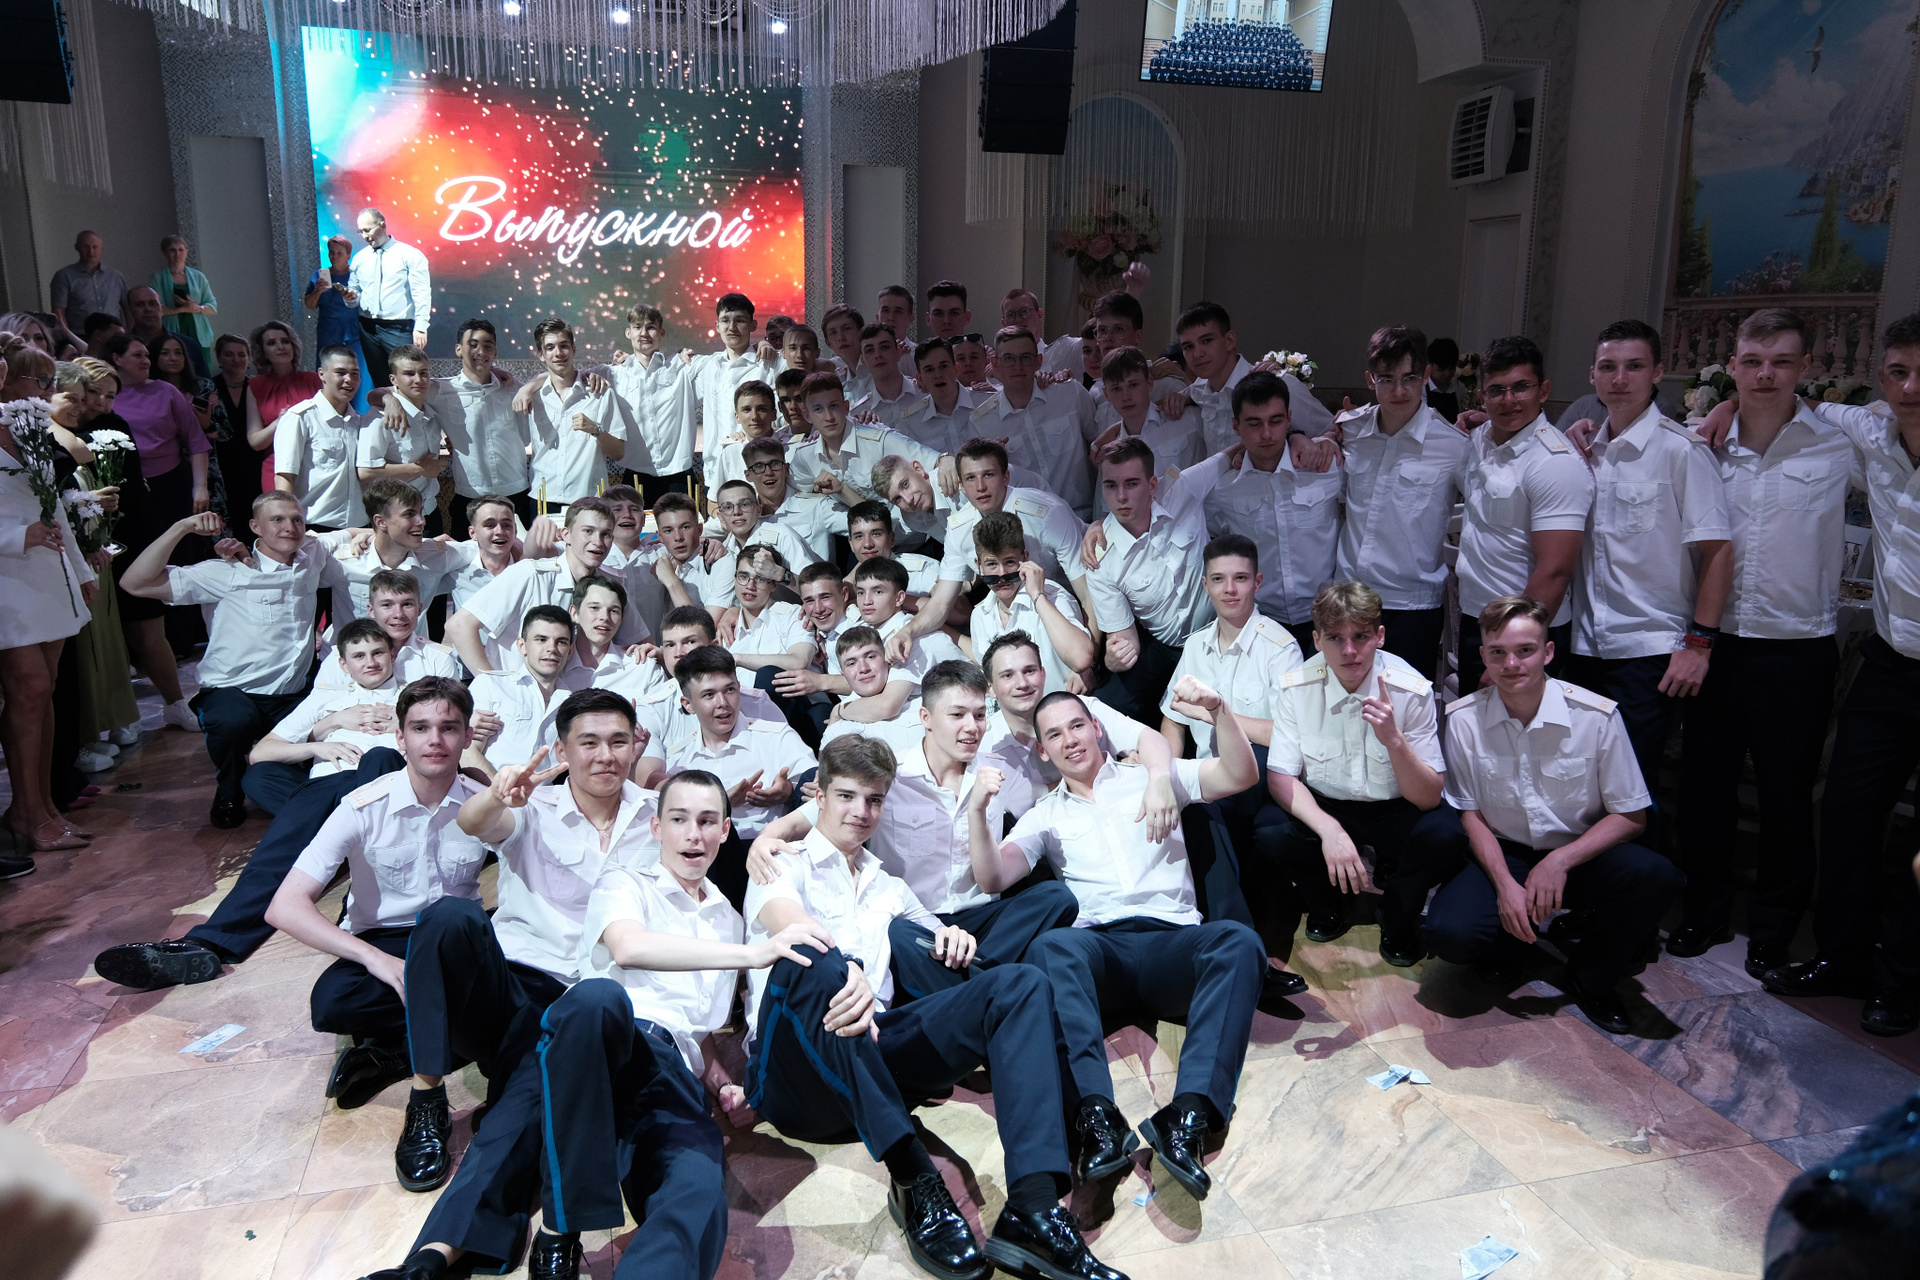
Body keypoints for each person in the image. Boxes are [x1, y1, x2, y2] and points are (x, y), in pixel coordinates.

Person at [743, 734, 1124, 1280]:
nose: (861, 811)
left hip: (875, 1058)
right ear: (819, 797)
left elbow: (931, 936)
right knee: (812, 960)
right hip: (794, 1079)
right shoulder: (783, 862)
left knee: (1017, 984)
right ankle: (913, 1176)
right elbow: (788, 922)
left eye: (874, 800)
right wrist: (846, 966)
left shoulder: (888, 886)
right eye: (847, 796)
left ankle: (1034, 1209)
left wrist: (954, 938)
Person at [358, 694, 665, 1278]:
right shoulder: (533, 803)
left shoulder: (658, 815)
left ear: (636, 744)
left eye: (618, 741)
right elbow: (474, 823)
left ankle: (432, 1259)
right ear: (563, 749)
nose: (605, 755)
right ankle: (426, 1095)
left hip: (590, 1003)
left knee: (525, 1103)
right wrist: (497, 794)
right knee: (448, 917)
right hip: (515, 989)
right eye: (589, 742)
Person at [971, 681, 1266, 1199]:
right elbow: (993, 876)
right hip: (1100, 954)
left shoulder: (1154, 778)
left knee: (1239, 942)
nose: (1070, 740)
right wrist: (977, 812)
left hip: (1172, 943)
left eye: (1077, 726)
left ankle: (1189, 1116)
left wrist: (1220, 711)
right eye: (1055, 735)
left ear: (1097, 728)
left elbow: (1240, 775)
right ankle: (1097, 1120)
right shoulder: (1045, 814)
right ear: (1043, 751)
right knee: (1051, 947)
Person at [516, 769, 789, 1280]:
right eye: (679, 819)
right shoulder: (625, 882)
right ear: (656, 827)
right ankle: (561, 1227)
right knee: (597, 1000)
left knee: (698, 1193)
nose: (694, 835)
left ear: (725, 830)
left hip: (669, 1074)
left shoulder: (728, 921)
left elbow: (697, 1028)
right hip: (605, 1049)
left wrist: (722, 1083)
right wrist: (753, 955)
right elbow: (628, 947)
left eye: (707, 821)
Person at [1669, 308, 1856, 980]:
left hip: (1797, 648)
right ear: (1733, 367)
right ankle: (1705, 911)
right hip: (1714, 643)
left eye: (1781, 362)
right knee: (1705, 790)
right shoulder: (1702, 444)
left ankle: (1774, 929)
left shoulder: (1840, 445)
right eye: (1753, 361)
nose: (1766, 374)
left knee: (1786, 797)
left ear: (1805, 367)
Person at [1754, 312, 1920, 1036]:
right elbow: (1800, 401)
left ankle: (1904, 980)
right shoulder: (1874, 434)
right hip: (1889, 661)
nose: (1911, 389)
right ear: (1881, 377)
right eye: (1898, 373)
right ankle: (1845, 955)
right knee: (1847, 809)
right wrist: (1722, 410)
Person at [749, 659, 1082, 1003]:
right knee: (899, 933)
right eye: (957, 715)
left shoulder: (998, 773)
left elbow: (1051, 798)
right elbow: (803, 821)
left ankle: (978, 991)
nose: (972, 727)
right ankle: (993, 992)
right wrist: (762, 843)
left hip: (981, 923)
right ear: (926, 718)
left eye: (980, 715)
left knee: (1055, 898)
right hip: (917, 924)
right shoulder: (889, 775)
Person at [1422, 596, 1678, 1035]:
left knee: (1656, 875)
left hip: (1580, 853)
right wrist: (1505, 885)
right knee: (1450, 932)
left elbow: (1632, 816)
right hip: (1507, 852)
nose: (1511, 664)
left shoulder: (1596, 717)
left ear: (1548, 651)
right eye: (1498, 652)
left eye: (1525, 650)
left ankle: (1591, 976)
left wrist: (1559, 861)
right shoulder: (1464, 720)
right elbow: (1470, 814)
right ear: (1483, 656)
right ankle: (1508, 943)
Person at [263, 677, 483, 1102]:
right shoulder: (362, 807)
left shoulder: (482, 803)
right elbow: (285, 906)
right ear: (400, 737)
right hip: (384, 937)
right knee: (333, 1003)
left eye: (449, 728)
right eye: (420, 728)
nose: (434, 740)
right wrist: (374, 959)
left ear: (467, 736)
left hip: (456, 936)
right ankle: (456, 1030)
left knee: (525, 979)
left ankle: (395, 1057)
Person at [1563, 319, 1732, 788]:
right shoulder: (1582, 451)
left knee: (1631, 788)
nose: (1620, 379)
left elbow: (1718, 550)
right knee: (1580, 785)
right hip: (1583, 644)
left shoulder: (1681, 451)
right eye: (1608, 367)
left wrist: (1699, 645)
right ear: (1592, 375)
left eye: (1634, 366)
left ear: (1657, 373)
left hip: (1649, 648)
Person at [119, 496, 359, 827]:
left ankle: (301, 794)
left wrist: (362, 538)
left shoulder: (311, 553)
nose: (289, 527)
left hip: (292, 693)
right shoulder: (225, 572)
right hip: (233, 692)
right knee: (232, 721)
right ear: (255, 527)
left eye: (297, 520)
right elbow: (135, 583)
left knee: (336, 723)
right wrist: (181, 528)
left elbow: (352, 532)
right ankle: (229, 789)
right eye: (277, 520)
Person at [1261, 582, 1458, 968]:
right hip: (1329, 804)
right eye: (1335, 638)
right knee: (1270, 829)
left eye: (1360, 637)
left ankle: (1397, 915)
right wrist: (1330, 831)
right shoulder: (1297, 687)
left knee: (1444, 833)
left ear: (1379, 636)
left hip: (1397, 805)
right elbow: (1281, 777)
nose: (1349, 650)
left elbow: (1429, 796)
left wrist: (1394, 741)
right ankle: (1328, 904)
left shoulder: (1410, 689)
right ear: (1317, 640)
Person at [1453, 336, 1593, 694]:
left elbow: (1555, 570)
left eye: (1521, 387)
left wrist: (1510, 651)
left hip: (1526, 629)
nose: (1508, 400)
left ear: (1543, 391)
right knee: (1476, 725)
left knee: (1522, 728)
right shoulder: (1480, 439)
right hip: (1476, 618)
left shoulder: (1554, 462)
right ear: (1482, 396)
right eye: (1496, 391)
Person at [1331, 326, 1471, 678]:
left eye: (1409, 378)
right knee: (1342, 702)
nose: (1399, 390)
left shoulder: (1453, 445)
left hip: (1412, 605)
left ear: (1425, 375)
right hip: (1349, 596)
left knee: (1405, 705)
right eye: (1387, 379)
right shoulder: (1351, 431)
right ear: (1370, 379)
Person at [0, 361, 97, 860]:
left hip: (48, 571)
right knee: (30, 688)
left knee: (45, 691)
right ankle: (26, 813)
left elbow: (53, 505)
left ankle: (42, 806)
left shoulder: (27, 425)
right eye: (36, 381)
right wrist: (19, 537)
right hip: (7, 578)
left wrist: (80, 570)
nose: (44, 390)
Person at [879, 439, 1093, 661]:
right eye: (971, 478)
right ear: (961, 485)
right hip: (1023, 619)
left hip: (1076, 610)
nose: (980, 487)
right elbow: (941, 604)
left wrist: (1092, 661)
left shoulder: (1046, 514)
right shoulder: (958, 529)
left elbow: (1088, 595)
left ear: (1005, 477)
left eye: (988, 475)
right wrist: (907, 632)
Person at [642, 644, 816, 907]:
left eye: (730, 690)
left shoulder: (775, 737)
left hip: (776, 854)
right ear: (688, 704)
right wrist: (722, 804)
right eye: (709, 695)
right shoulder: (680, 761)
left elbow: (816, 785)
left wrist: (789, 791)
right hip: (714, 865)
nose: (723, 703)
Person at [1083, 436, 1232, 718]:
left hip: (1220, 631)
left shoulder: (1183, 488)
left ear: (1152, 484)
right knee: (1104, 709)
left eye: (1131, 484)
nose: (1121, 496)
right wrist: (1113, 659)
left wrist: (1295, 439)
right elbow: (1124, 638)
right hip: (1166, 646)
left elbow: (1232, 453)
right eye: (1111, 485)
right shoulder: (1099, 558)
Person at [447, 496, 643, 674]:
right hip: (516, 691)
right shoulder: (529, 574)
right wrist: (491, 684)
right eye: (588, 531)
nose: (597, 542)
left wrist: (647, 651)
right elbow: (459, 625)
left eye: (606, 534)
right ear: (566, 534)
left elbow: (639, 639)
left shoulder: (610, 584)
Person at [242, 618, 402, 813]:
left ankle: (329, 821)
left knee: (380, 757)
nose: (370, 663)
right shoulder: (326, 698)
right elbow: (260, 753)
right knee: (258, 777)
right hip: (325, 788)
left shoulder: (412, 699)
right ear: (344, 665)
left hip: (380, 787)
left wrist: (406, 722)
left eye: (378, 653)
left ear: (392, 655)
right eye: (359, 656)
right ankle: (333, 820)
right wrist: (317, 747)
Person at [971, 326, 1100, 518]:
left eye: (1025, 357)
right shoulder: (981, 423)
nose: (1017, 366)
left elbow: (1100, 443)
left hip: (1084, 516)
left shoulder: (1069, 394)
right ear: (995, 364)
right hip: (1028, 524)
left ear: (1038, 361)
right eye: (1008, 358)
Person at [970, 511, 1095, 695]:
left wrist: (1038, 596)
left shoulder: (1053, 596)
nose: (1001, 574)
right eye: (992, 564)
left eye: (1010, 562)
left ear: (1025, 559)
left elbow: (1081, 659)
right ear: (978, 565)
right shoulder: (979, 615)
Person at [464, 605, 595, 776]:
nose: (551, 648)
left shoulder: (574, 705)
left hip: (547, 791)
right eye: (541, 639)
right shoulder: (490, 685)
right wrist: (501, 791)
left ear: (570, 651)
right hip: (486, 788)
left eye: (561, 642)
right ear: (522, 645)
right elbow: (467, 753)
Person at [424, 319, 530, 531]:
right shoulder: (441, 391)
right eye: (473, 345)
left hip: (517, 493)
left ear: (495, 352)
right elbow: (394, 391)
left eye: (487, 346)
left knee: (523, 551)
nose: (480, 351)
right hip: (470, 495)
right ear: (458, 349)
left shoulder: (513, 388)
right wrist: (388, 399)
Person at [789, 370, 946, 507]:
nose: (828, 417)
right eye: (818, 409)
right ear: (807, 415)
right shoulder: (805, 455)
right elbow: (793, 494)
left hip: (911, 528)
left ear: (846, 407)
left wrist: (947, 460)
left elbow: (936, 461)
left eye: (833, 406)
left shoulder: (878, 440)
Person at [607, 303, 697, 504]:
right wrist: (534, 384)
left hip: (678, 473)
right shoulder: (614, 374)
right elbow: (571, 376)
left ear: (661, 332)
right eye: (637, 327)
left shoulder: (680, 367)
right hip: (636, 474)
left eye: (650, 327)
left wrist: (759, 346)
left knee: (685, 524)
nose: (643, 333)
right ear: (628, 333)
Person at [273, 345, 367, 531]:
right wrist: (288, 526)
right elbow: (285, 476)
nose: (349, 380)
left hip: (359, 528)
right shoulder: (300, 418)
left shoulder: (361, 422)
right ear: (322, 374)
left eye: (355, 374)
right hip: (315, 527)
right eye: (340, 373)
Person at [357, 346, 447, 531]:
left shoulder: (432, 413)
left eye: (423, 373)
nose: (418, 380)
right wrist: (419, 469)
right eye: (409, 374)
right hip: (396, 518)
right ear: (394, 379)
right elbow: (366, 472)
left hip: (430, 510)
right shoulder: (380, 417)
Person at [345, 207, 432, 389]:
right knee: (379, 380)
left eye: (368, 230)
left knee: (408, 377)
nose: (365, 236)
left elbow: (421, 292)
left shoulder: (409, 254)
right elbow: (354, 293)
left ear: (382, 225)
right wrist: (350, 297)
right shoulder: (360, 258)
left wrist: (421, 326)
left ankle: (411, 408)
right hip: (367, 327)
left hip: (398, 327)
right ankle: (385, 407)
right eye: (361, 232)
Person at [244, 320, 323, 497]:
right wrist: (279, 422)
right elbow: (255, 442)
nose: (280, 346)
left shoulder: (314, 380)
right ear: (263, 351)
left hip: (315, 463)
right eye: (271, 343)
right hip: (276, 466)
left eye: (285, 341)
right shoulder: (255, 386)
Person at [693, 292, 776, 452]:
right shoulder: (708, 366)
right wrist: (682, 353)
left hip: (757, 457)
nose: (732, 327)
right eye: (725, 320)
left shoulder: (769, 364)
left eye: (740, 320)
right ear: (717, 326)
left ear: (753, 325)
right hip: (715, 460)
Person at [303, 233, 370, 413]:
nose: (334, 256)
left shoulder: (357, 276)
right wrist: (318, 291)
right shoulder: (320, 275)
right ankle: (330, 411)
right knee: (330, 370)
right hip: (329, 332)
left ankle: (361, 413)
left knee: (358, 371)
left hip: (355, 331)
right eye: (331, 252)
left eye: (339, 253)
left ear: (348, 255)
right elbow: (309, 305)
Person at [207, 333, 266, 521]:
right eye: (229, 354)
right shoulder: (209, 388)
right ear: (219, 358)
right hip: (222, 464)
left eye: (241, 354)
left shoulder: (258, 387)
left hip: (255, 462)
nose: (236, 359)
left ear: (249, 358)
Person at [895, 339, 980, 456]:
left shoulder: (984, 404)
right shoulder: (911, 422)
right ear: (920, 379)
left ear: (956, 370)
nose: (938, 375)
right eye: (929, 370)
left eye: (943, 366)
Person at [150, 235, 217, 374]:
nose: (177, 254)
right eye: (172, 250)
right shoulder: (158, 277)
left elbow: (212, 307)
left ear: (186, 252)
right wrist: (182, 309)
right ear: (165, 252)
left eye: (181, 250)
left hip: (198, 331)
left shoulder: (198, 276)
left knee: (202, 371)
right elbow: (156, 310)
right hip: (172, 329)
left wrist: (196, 308)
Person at [49, 230, 127, 347]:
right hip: (81, 337)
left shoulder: (116, 276)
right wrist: (69, 339)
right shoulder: (64, 276)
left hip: (115, 338)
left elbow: (127, 308)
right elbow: (59, 312)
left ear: (101, 249)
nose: (91, 252)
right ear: (77, 248)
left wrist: (130, 335)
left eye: (95, 247)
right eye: (86, 247)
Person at [850, 323, 921, 426]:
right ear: (863, 361)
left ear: (898, 353)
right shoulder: (858, 414)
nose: (878, 355)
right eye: (869, 350)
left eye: (885, 347)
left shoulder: (925, 393)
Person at [1425, 337, 1461, 422]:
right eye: (1441, 369)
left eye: (1452, 368)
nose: (1447, 373)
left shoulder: (1456, 387)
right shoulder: (1421, 389)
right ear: (1429, 365)